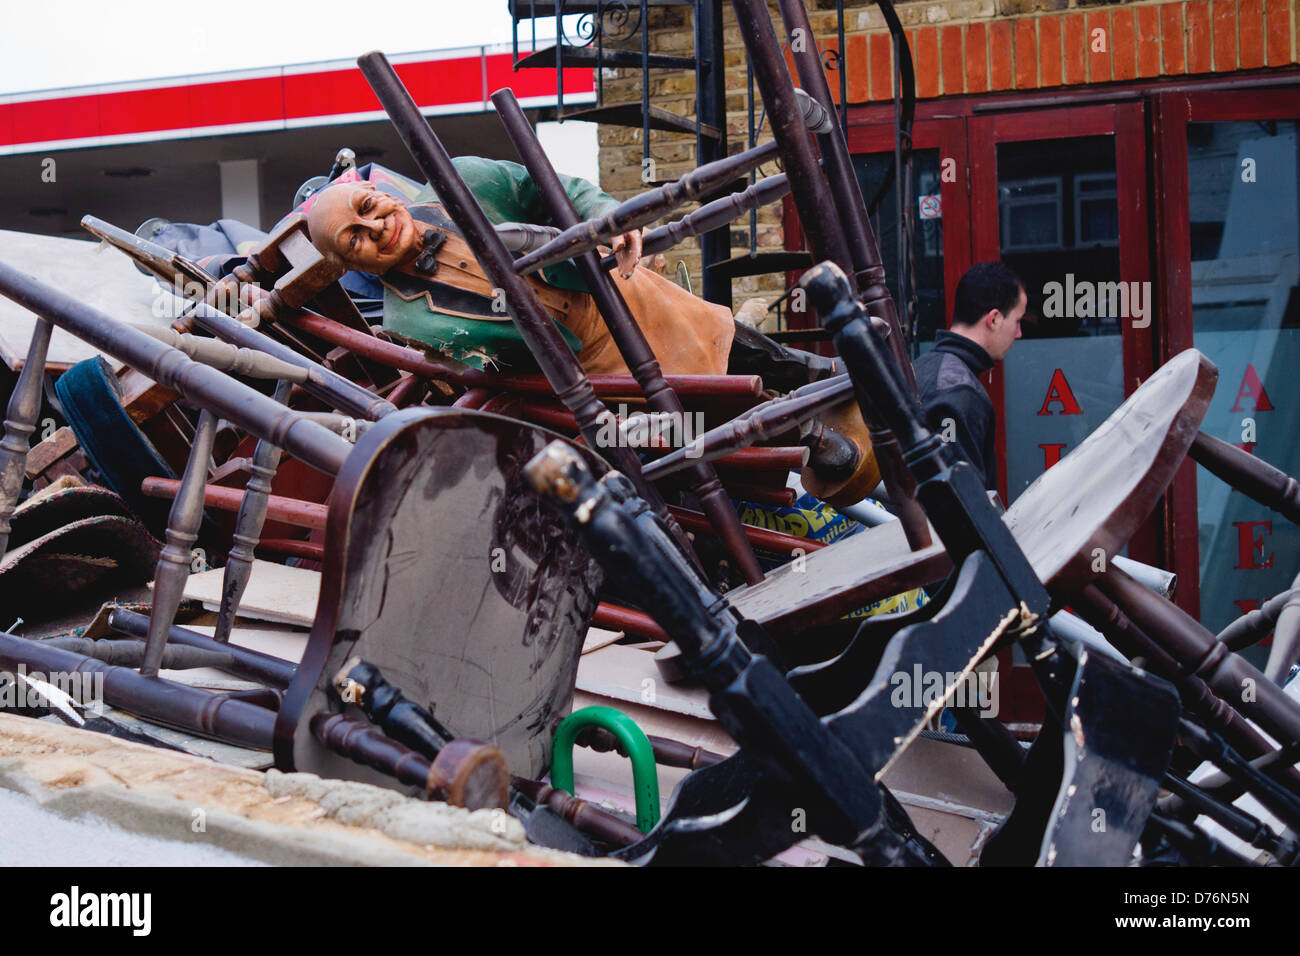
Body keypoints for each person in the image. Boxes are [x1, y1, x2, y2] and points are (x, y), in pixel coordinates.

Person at [913, 262, 1026, 492]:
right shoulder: (958, 392)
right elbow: (961, 504)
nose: (1019, 333)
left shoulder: (923, 367)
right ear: (994, 319)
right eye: (1017, 321)